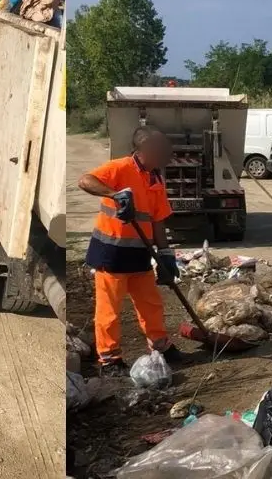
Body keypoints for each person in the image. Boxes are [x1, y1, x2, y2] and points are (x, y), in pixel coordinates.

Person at [78, 126, 184, 376]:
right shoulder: (120, 168)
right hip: (111, 253)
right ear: (144, 149)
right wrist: (115, 195)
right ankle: (109, 359)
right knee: (109, 310)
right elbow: (85, 181)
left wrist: (166, 255)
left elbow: (158, 221)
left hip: (140, 254)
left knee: (151, 304)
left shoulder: (156, 179)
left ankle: (160, 346)